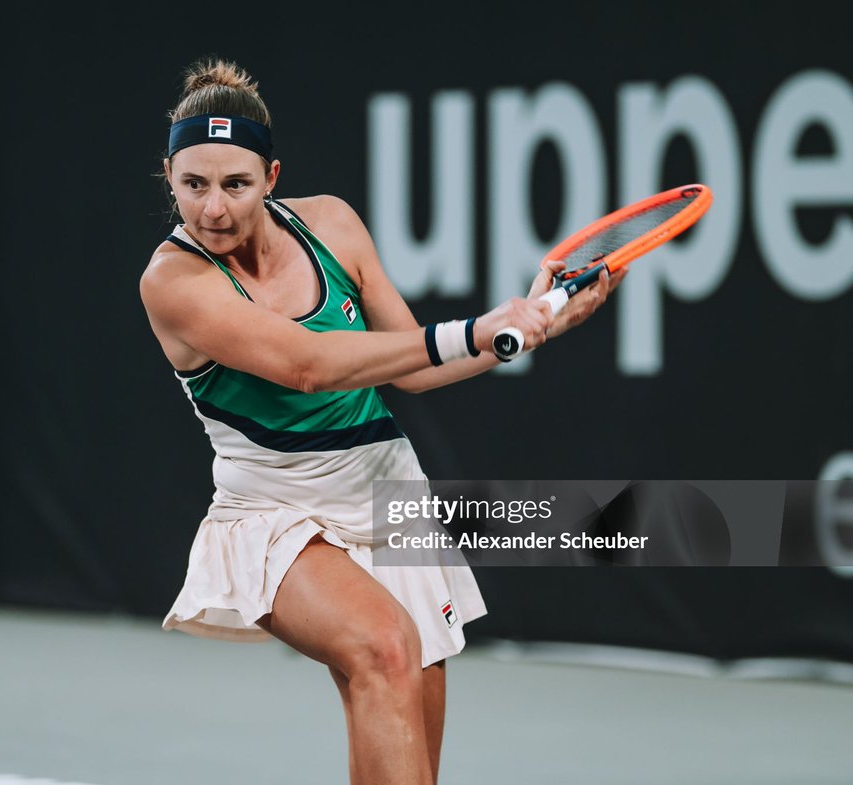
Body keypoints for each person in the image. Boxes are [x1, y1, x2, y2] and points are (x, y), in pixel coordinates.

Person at [140, 58, 623, 785]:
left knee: (410, 757)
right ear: (169, 176)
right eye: (193, 184)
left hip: (387, 495)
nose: (212, 208)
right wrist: (480, 327)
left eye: (235, 184)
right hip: (275, 513)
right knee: (384, 645)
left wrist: (529, 327)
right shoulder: (172, 282)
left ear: (272, 178)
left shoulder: (332, 223)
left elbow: (411, 368)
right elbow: (307, 363)